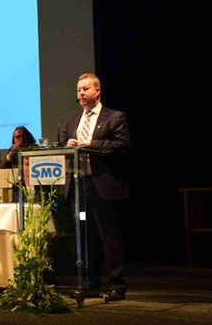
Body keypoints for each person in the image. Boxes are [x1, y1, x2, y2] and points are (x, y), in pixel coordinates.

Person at [59, 72, 131, 301]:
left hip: (104, 184)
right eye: (79, 90)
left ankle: (116, 284)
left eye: (85, 89)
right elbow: (62, 145)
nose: (81, 93)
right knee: (85, 236)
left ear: (97, 91)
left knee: (108, 237)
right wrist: (68, 144)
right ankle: (90, 282)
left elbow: (122, 145)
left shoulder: (115, 117)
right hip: (79, 185)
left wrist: (91, 144)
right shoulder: (71, 120)